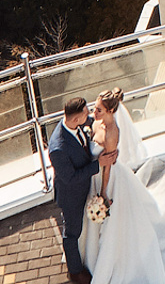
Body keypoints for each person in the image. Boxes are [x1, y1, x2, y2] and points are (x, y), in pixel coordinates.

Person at [85, 89, 165, 284]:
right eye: (95, 108)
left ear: (110, 111)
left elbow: (107, 168)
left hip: (108, 178)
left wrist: (103, 193)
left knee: (114, 224)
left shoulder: (112, 134)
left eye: (98, 110)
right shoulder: (95, 122)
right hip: (94, 174)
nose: (94, 112)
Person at [48, 98, 99, 282]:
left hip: (84, 187)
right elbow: (70, 178)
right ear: (76, 119)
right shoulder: (58, 148)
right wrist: (98, 165)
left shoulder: (75, 124)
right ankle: (75, 272)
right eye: (86, 113)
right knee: (72, 233)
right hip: (71, 196)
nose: (89, 116)